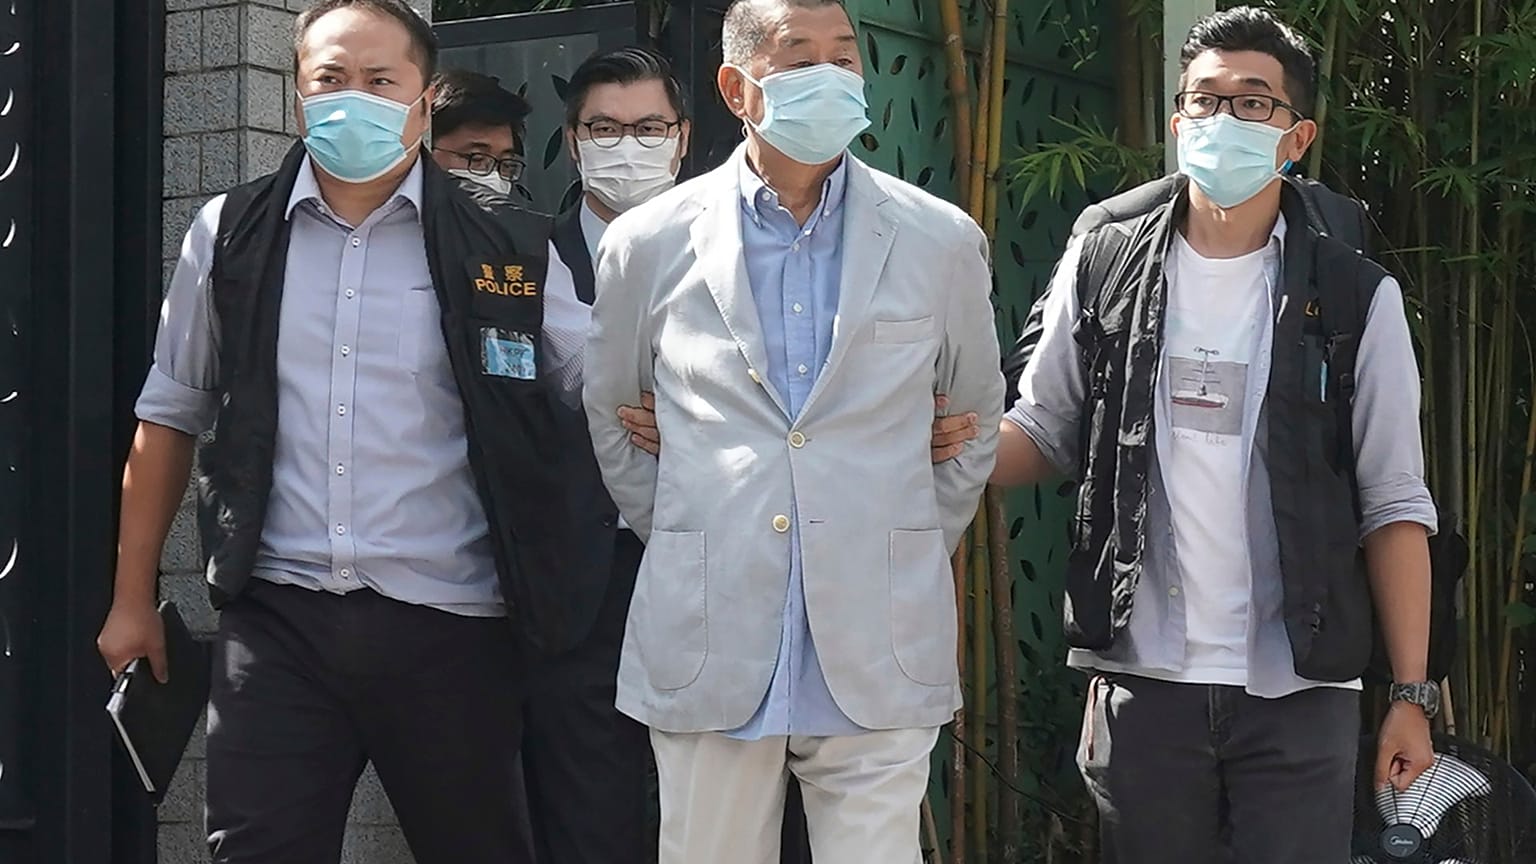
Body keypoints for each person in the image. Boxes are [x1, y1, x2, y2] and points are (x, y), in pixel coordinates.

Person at [96, 1, 598, 861]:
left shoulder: (507, 243)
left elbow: (601, 383)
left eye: (379, 81)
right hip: (279, 619)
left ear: (425, 96)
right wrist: (131, 600)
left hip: (453, 626)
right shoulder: (231, 233)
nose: (351, 99)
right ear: (298, 90)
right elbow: (170, 412)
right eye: (330, 79)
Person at [990, 8, 1437, 862]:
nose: (1223, 120)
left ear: (1296, 136)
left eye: (1253, 103)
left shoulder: (1355, 297)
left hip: (1298, 686)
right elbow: (1041, 431)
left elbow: (1394, 502)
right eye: (1204, 101)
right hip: (1144, 681)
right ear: (1177, 121)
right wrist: (943, 435)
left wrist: (1410, 692)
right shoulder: (1105, 261)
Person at [581, 1, 1004, 861]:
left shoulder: (940, 238)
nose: (830, 74)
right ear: (738, 87)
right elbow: (616, 416)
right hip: (711, 623)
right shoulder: (647, 242)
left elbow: (969, 423)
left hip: (877, 629)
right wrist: (692, 528)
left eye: (844, 57)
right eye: (798, 56)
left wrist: (901, 532)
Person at [430, 68, 531, 198]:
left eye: (506, 164)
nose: (494, 177)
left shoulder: (512, 218)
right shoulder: (400, 216)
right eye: (477, 158)